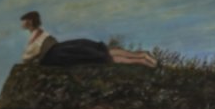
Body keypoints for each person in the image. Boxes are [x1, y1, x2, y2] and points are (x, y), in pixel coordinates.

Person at [19, 11, 158, 67]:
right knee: (99, 51)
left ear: (29, 22)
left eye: (23, 21)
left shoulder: (35, 37)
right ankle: (140, 57)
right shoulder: (42, 33)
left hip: (59, 55)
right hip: (62, 49)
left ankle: (140, 59)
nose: (22, 23)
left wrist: (33, 59)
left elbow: (27, 58)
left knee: (100, 55)